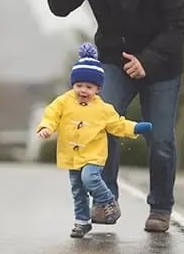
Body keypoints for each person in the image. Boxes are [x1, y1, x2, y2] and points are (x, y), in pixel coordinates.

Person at [45, 0, 184, 232]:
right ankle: (106, 200)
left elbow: (180, 23)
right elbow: (63, 6)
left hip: (161, 64)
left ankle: (161, 207)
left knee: (161, 138)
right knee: (103, 122)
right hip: (114, 58)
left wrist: (148, 60)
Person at [36, 42, 153, 238]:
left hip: (93, 155)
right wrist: (47, 127)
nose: (83, 90)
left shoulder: (103, 109)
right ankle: (82, 222)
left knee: (89, 178)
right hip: (72, 156)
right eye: (79, 85)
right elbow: (52, 114)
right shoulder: (64, 101)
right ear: (73, 84)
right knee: (78, 191)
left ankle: (108, 201)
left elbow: (117, 124)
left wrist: (136, 127)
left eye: (89, 87)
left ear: (98, 88)